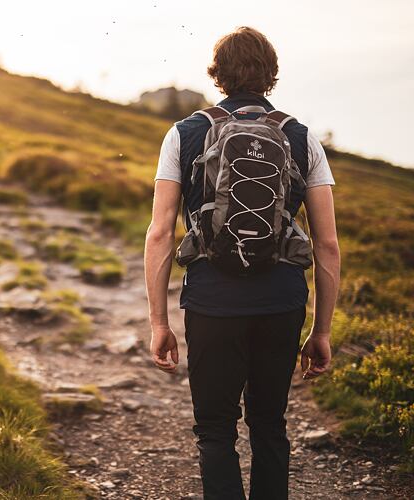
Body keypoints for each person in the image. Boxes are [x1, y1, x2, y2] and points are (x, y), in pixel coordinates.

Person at [144, 27, 341, 500]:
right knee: (270, 425)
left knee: (215, 431)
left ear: (217, 75)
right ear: (270, 75)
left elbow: (160, 232)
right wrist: (322, 330)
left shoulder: (184, 133)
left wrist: (159, 321)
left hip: (212, 302)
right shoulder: (300, 135)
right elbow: (327, 243)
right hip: (281, 302)